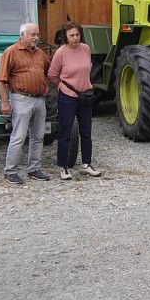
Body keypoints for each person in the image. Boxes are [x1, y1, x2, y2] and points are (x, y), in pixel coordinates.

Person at [0, 22, 52, 184]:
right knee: (19, 137)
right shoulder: (11, 52)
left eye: (37, 35)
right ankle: (10, 171)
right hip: (21, 99)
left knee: (37, 137)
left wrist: (46, 85)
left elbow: (49, 71)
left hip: (39, 100)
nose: (36, 38)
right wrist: (5, 102)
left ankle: (34, 169)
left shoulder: (40, 53)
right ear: (22, 35)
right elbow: (1, 80)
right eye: (32, 35)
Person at [47, 21, 102, 180]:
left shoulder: (86, 48)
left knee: (86, 131)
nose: (75, 38)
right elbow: (52, 75)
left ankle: (86, 164)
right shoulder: (61, 53)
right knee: (65, 133)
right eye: (71, 35)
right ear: (65, 36)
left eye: (77, 35)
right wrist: (63, 88)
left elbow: (87, 69)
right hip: (68, 98)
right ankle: (63, 167)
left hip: (85, 96)